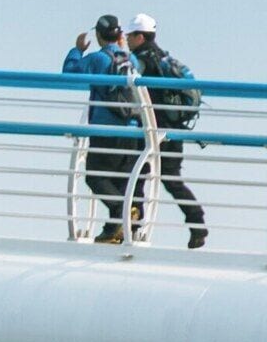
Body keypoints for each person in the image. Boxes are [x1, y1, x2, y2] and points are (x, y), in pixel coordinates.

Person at [121, 14, 207, 247]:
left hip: (152, 129)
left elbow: (126, 79)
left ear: (140, 36)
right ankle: (197, 222)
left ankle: (133, 225)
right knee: (170, 178)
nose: (127, 40)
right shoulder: (164, 57)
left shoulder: (141, 60)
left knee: (135, 175)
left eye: (130, 36)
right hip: (172, 129)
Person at [63, 13, 143, 241]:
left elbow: (69, 74)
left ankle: (122, 211)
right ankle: (118, 228)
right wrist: (123, 48)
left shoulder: (98, 59)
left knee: (95, 177)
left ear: (98, 35)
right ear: (119, 34)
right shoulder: (132, 60)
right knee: (120, 180)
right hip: (131, 128)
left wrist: (77, 50)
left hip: (105, 129)